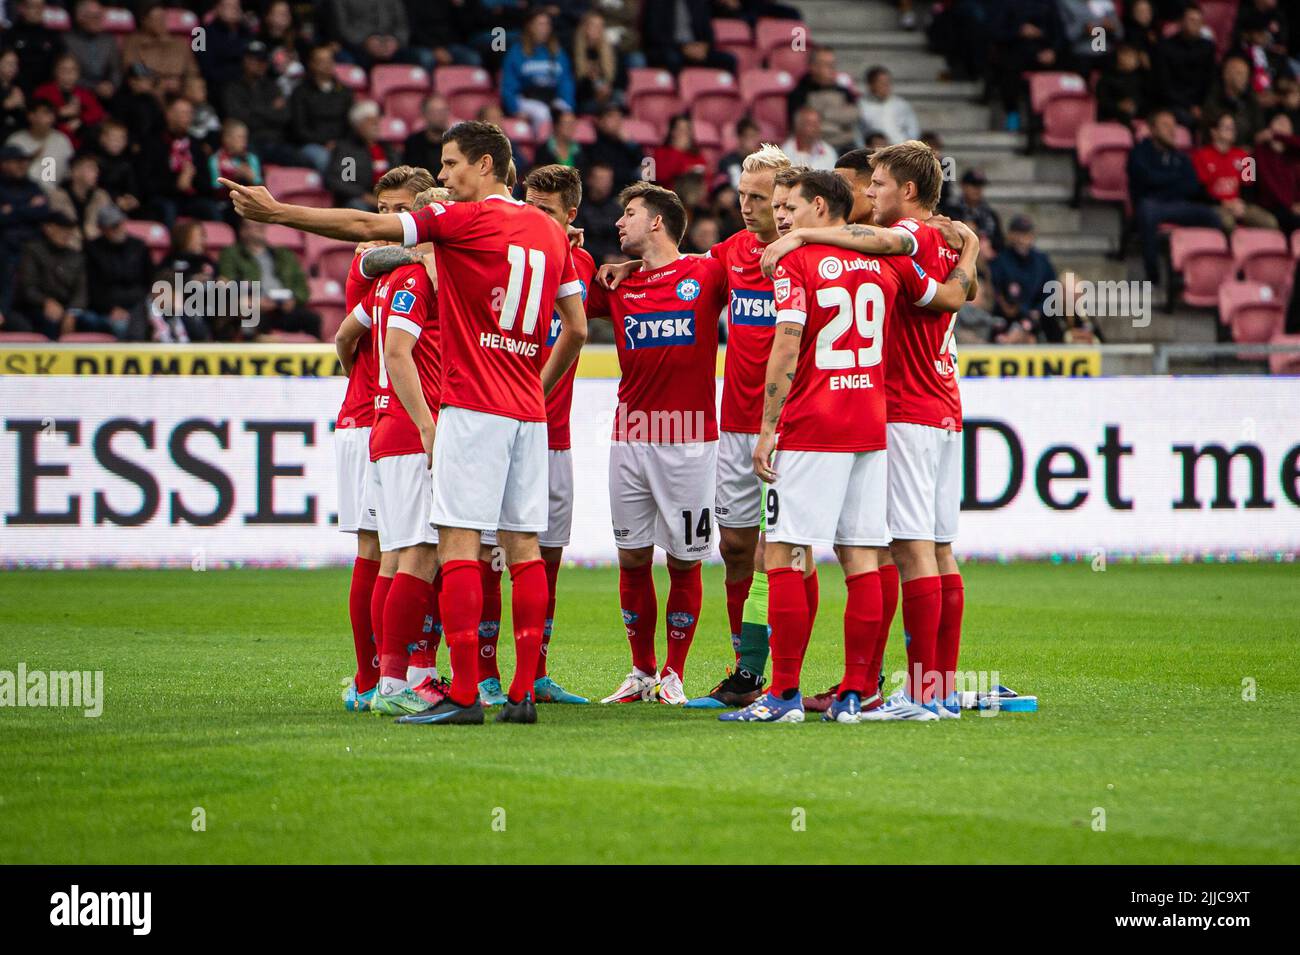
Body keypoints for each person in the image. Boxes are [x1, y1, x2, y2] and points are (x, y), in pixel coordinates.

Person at [220, 120, 588, 726]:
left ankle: (465, 693)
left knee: (459, 545)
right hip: (529, 411)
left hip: (472, 407)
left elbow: (367, 228)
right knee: (523, 548)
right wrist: (535, 388)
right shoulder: (550, 233)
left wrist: (278, 212)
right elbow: (574, 327)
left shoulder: (466, 221)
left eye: (450, 164)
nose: (442, 177)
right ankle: (522, 691)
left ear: (487, 166)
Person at [723, 169, 978, 724]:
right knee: (863, 557)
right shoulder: (884, 262)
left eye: (791, 207)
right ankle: (857, 694)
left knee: (785, 552)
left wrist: (768, 426)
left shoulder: (796, 260)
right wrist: (972, 248)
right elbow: (954, 294)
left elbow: (786, 345)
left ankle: (784, 695)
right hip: (872, 424)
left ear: (820, 206)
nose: (782, 218)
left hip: (814, 423)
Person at [585, 182, 727, 706]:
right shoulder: (616, 283)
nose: (619, 223)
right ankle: (641, 671)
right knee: (631, 556)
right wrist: (573, 241)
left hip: (690, 440)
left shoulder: (707, 273)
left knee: (685, 560)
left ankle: (674, 672)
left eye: (630, 214)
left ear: (658, 223)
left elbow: (761, 274)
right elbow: (560, 280)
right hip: (630, 437)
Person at [475, 164, 596, 707]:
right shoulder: (498, 254)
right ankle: (484, 674)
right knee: (487, 557)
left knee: (543, 557)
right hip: (499, 423)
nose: (533, 217)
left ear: (571, 215)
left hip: (555, 437)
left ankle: (536, 671)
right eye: (529, 205)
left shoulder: (585, 264)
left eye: (546, 210)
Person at [331, 164, 438, 714]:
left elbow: (348, 335)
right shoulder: (376, 261)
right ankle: (377, 678)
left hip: (387, 418)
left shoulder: (400, 263)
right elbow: (350, 339)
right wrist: (369, 386)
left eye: (401, 211)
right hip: (376, 420)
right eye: (382, 210)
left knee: (404, 550)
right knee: (387, 551)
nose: (388, 220)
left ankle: (403, 674)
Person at [1128, 108, 1222, 282]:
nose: (1172, 130)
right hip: (1151, 205)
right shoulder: (1138, 153)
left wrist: (1163, 182)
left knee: (1212, 216)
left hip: (1178, 205)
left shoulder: (1181, 157)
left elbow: (1192, 185)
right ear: (1152, 129)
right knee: (1148, 211)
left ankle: (1209, 274)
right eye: (1165, 125)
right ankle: (1153, 277)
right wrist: (1174, 179)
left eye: (1173, 126)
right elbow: (1147, 179)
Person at [217, 218, 320, 339]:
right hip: (256, 308)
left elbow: (302, 287)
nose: (258, 229)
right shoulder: (231, 254)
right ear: (242, 231)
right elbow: (226, 283)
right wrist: (254, 301)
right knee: (252, 320)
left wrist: (294, 299)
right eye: (253, 226)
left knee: (313, 319)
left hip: (282, 306)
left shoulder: (283, 254)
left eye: (260, 226)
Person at [1193, 112, 1279, 231]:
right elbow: (1199, 191)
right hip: (1215, 206)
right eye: (1227, 127)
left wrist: (1241, 203)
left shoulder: (1246, 157)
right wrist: (1223, 203)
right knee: (1228, 223)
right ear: (1214, 132)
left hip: (1240, 205)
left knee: (1270, 222)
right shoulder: (1200, 156)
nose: (1232, 131)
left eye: (1233, 128)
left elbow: (1251, 188)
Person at [13, 210, 87, 339]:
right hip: (36, 306)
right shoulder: (33, 251)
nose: (66, 234)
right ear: (48, 228)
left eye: (69, 230)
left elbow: (81, 291)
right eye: (62, 229)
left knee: (92, 322)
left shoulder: (76, 256)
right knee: (50, 321)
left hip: (68, 308)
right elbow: (28, 286)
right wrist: (46, 301)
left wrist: (72, 312)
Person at [500, 9, 576, 135]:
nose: (544, 28)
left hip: (551, 98)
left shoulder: (558, 52)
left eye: (547, 24)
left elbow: (566, 82)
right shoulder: (516, 52)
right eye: (540, 24)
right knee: (542, 112)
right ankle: (544, 149)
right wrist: (514, 109)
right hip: (526, 99)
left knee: (565, 114)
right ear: (530, 26)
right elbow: (508, 85)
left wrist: (568, 105)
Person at [84, 204, 154, 340]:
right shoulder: (92, 250)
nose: (119, 229)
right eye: (113, 226)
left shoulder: (139, 246)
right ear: (102, 229)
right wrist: (110, 309)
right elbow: (92, 287)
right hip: (106, 307)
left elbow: (150, 279)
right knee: (119, 326)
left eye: (120, 224)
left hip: (138, 305)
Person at [222, 42, 297, 167]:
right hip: (249, 142)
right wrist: (270, 109)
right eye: (254, 60)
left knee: (303, 163)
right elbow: (237, 118)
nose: (260, 64)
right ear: (245, 61)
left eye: (263, 60)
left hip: (276, 141)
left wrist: (253, 111)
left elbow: (284, 116)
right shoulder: (233, 88)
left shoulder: (273, 87)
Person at [0, 143, 49, 316]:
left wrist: (12, 210)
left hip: (32, 245)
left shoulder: (32, 186)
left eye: (25, 161)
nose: (23, 165)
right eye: (17, 161)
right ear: (3, 163)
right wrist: (28, 207)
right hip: (6, 247)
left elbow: (44, 212)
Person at [289, 45, 354, 174]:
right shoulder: (301, 93)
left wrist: (339, 143)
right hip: (312, 144)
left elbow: (350, 123)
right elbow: (299, 128)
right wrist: (324, 142)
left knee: (351, 158)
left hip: (340, 143)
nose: (328, 64)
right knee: (324, 159)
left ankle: (350, 190)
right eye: (322, 61)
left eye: (330, 60)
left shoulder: (345, 91)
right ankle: (334, 191)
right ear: (312, 64)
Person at [991, 215, 1056, 342]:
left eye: (1027, 234)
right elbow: (997, 293)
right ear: (1010, 235)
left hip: (1039, 317)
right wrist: (1021, 313)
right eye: (1019, 234)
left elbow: (1052, 291)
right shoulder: (1000, 261)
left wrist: (1037, 311)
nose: (1023, 239)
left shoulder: (1042, 261)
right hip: (1008, 317)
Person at [1153, 5, 1217, 128]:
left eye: (1199, 21)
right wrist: (1190, 106)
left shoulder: (1208, 47)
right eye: (1191, 20)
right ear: (1181, 22)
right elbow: (1164, 86)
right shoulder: (1166, 47)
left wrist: (1202, 106)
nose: (1195, 24)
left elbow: (1210, 81)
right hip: (1173, 104)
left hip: (1200, 104)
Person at [121, 3, 201, 97]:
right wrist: (159, 83)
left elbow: (192, 71)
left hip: (179, 91)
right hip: (149, 93)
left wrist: (182, 84)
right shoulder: (133, 42)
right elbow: (132, 69)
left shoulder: (180, 44)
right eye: (156, 19)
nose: (161, 22)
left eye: (163, 18)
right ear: (144, 21)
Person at [788, 48, 860, 153]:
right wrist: (840, 124)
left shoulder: (843, 90)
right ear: (813, 67)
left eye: (833, 64)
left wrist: (825, 114)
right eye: (826, 65)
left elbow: (855, 114)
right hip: (819, 148)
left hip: (848, 145)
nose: (832, 69)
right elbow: (804, 127)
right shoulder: (800, 93)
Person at [325, 101, 394, 210]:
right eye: (369, 120)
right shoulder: (348, 151)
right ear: (357, 125)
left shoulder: (386, 148)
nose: (375, 123)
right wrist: (365, 196)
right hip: (362, 200)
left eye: (376, 119)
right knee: (357, 206)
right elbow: (341, 182)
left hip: (387, 199)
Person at [33, 54, 105, 150]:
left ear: (78, 74)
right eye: (63, 70)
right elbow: (36, 115)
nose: (68, 75)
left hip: (77, 145)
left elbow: (98, 112)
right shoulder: (43, 91)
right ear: (55, 72)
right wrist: (58, 112)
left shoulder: (83, 93)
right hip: (49, 142)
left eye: (73, 70)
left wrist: (81, 120)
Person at [6, 98, 74, 193]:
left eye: (51, 114)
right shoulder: (16, 141)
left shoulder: (62, 140)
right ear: (31, 116)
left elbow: (69, 173)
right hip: (20, 192)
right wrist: (30, 159)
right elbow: (7, 173)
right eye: (45, 113)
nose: (49, 118)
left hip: (53, 192)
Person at [64, 0, 123, 102]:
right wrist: (94, 87)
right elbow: (67, 75)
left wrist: (112, 85)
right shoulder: (68, 41)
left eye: (101, 16)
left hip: (109, 93)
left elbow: (116, 70)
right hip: (79, 92)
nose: (99, 20)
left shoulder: (109, 40)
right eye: (95, 17)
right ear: (80, 18)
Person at [1204, 55, 1266, 146]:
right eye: (1239, 73)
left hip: (1247, 154)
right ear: (1226, 75)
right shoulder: (1214, 99)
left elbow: (1259, 130)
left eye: (1246, 74)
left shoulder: (1251, 101)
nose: (1244, 78)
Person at [1255, 111, 1300, 234]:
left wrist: (1278, 136)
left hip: (1292, 206)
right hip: (1272, 206)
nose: (1283, 126)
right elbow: (1267, 184)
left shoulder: (1292, 154)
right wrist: (1290, 205)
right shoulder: (1260, 151)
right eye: (1279, 122)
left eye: (1287, 124)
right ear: (1270, 127)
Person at [49, 151, 110, 241]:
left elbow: (108, 223)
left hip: (97, 246)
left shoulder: (101, 196)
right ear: (75, 171)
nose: (96, 172)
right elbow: (63, 227)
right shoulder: (58, 196)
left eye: (96, 168)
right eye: (90, 168)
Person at [585, 105, 644, 193]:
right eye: (611, 117)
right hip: (608, 195)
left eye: (619, 117)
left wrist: (631, 144)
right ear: (600, 121)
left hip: (629, 193)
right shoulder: (593, 146)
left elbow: (647, 165)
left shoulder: (626, 144)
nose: (617, 121)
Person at [573, 161, 623, 263]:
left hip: (617, 261)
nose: (606, 184)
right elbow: (578, 240)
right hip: (588, 260)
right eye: (601, 179)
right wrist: (602, 258)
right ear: (590, 180)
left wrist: (626, 258)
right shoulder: (578, 208)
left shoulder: (617, 209)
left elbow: (624, 238)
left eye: (609, 180)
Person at [858, 66, 919, 146]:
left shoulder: (901, 105)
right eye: (881, 82)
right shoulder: (861, 106)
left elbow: (913, 130)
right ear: (871, 84)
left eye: (888, 82)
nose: (886, 86)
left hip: (900, 150)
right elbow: (858, 134)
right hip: (874, 151)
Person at [651, 115, 708, 190]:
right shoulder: (660, 152)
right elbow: (661, 177)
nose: (684, 133)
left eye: (687, 129)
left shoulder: (696, 154)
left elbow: (706, 178)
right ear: (672, 132)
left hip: (693, 196)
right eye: (680, 129)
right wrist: (677, 151)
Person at [400, 94, 450, 174]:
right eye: (436, 112)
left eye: (444, 111)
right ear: (424, 114)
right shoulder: (413, 143)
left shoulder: (455, 142)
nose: (441, 115)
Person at [782, 106, 837, 171]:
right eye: (808, 123)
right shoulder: (785, 152)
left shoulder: (829, 151)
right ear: (797, 125)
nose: (812, 128)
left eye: (815, 123)